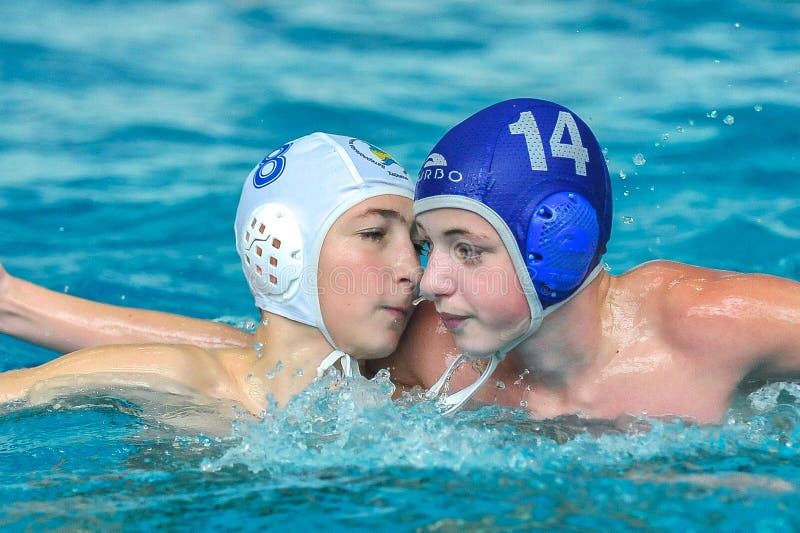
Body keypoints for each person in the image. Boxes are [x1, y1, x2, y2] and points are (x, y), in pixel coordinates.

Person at [4, 99, 800, 425]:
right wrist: (18, 305)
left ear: (557, 243)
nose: (429, 277)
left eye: (464, 248)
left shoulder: (708, 323)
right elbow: (251, 352)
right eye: (427, 243)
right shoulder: (439, 343)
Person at [0, 132, 421, 415]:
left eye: (418, 245)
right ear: (282, 247)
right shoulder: (180, 380)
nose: (413, 270)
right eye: (373, 233)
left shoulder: (415, 386)